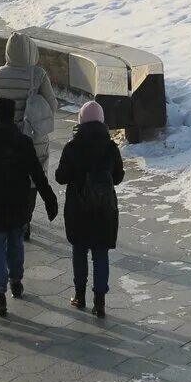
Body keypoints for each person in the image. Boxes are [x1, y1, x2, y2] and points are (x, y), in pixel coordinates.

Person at [0, 98, 59, 317]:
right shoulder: (23, 142)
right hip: (18, 202)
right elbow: (37, 174)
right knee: (16, 243)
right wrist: (49, 199)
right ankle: (16, 279)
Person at [0, 31, 59, 238]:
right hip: (33, 138)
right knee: (33, 178)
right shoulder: (39, 74)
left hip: (4, 139)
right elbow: (52, 105)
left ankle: (11, 215)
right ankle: (26, 218)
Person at [54, 101, 125, 318]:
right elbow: (119, 177)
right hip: (104, 208)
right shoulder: (111, 146)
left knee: (79, 251)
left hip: (79, 208)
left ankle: (80, 295)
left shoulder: (72, 146)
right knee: (100, 254)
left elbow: (60, 177)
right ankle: (100, 301)